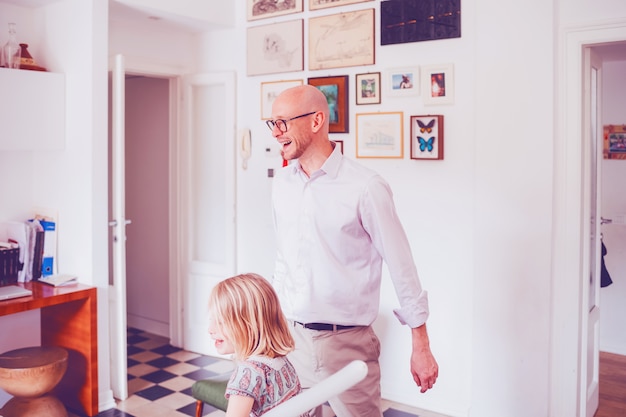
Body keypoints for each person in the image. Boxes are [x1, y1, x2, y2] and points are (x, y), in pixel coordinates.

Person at [266, 85, 439, 417]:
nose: (276, 132)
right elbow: (283, 260)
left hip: (347, 346)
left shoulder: (365, 186)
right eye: (272, 123)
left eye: (283, 122)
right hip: (291, 342)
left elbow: (402, 266)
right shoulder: (281, 184)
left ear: (317, 120)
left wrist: (422, 345)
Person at [208, 273, 309, 417]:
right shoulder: (281, 361)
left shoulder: (247, 374)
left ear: (249, 325)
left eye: (220, 322)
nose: (210, 329)